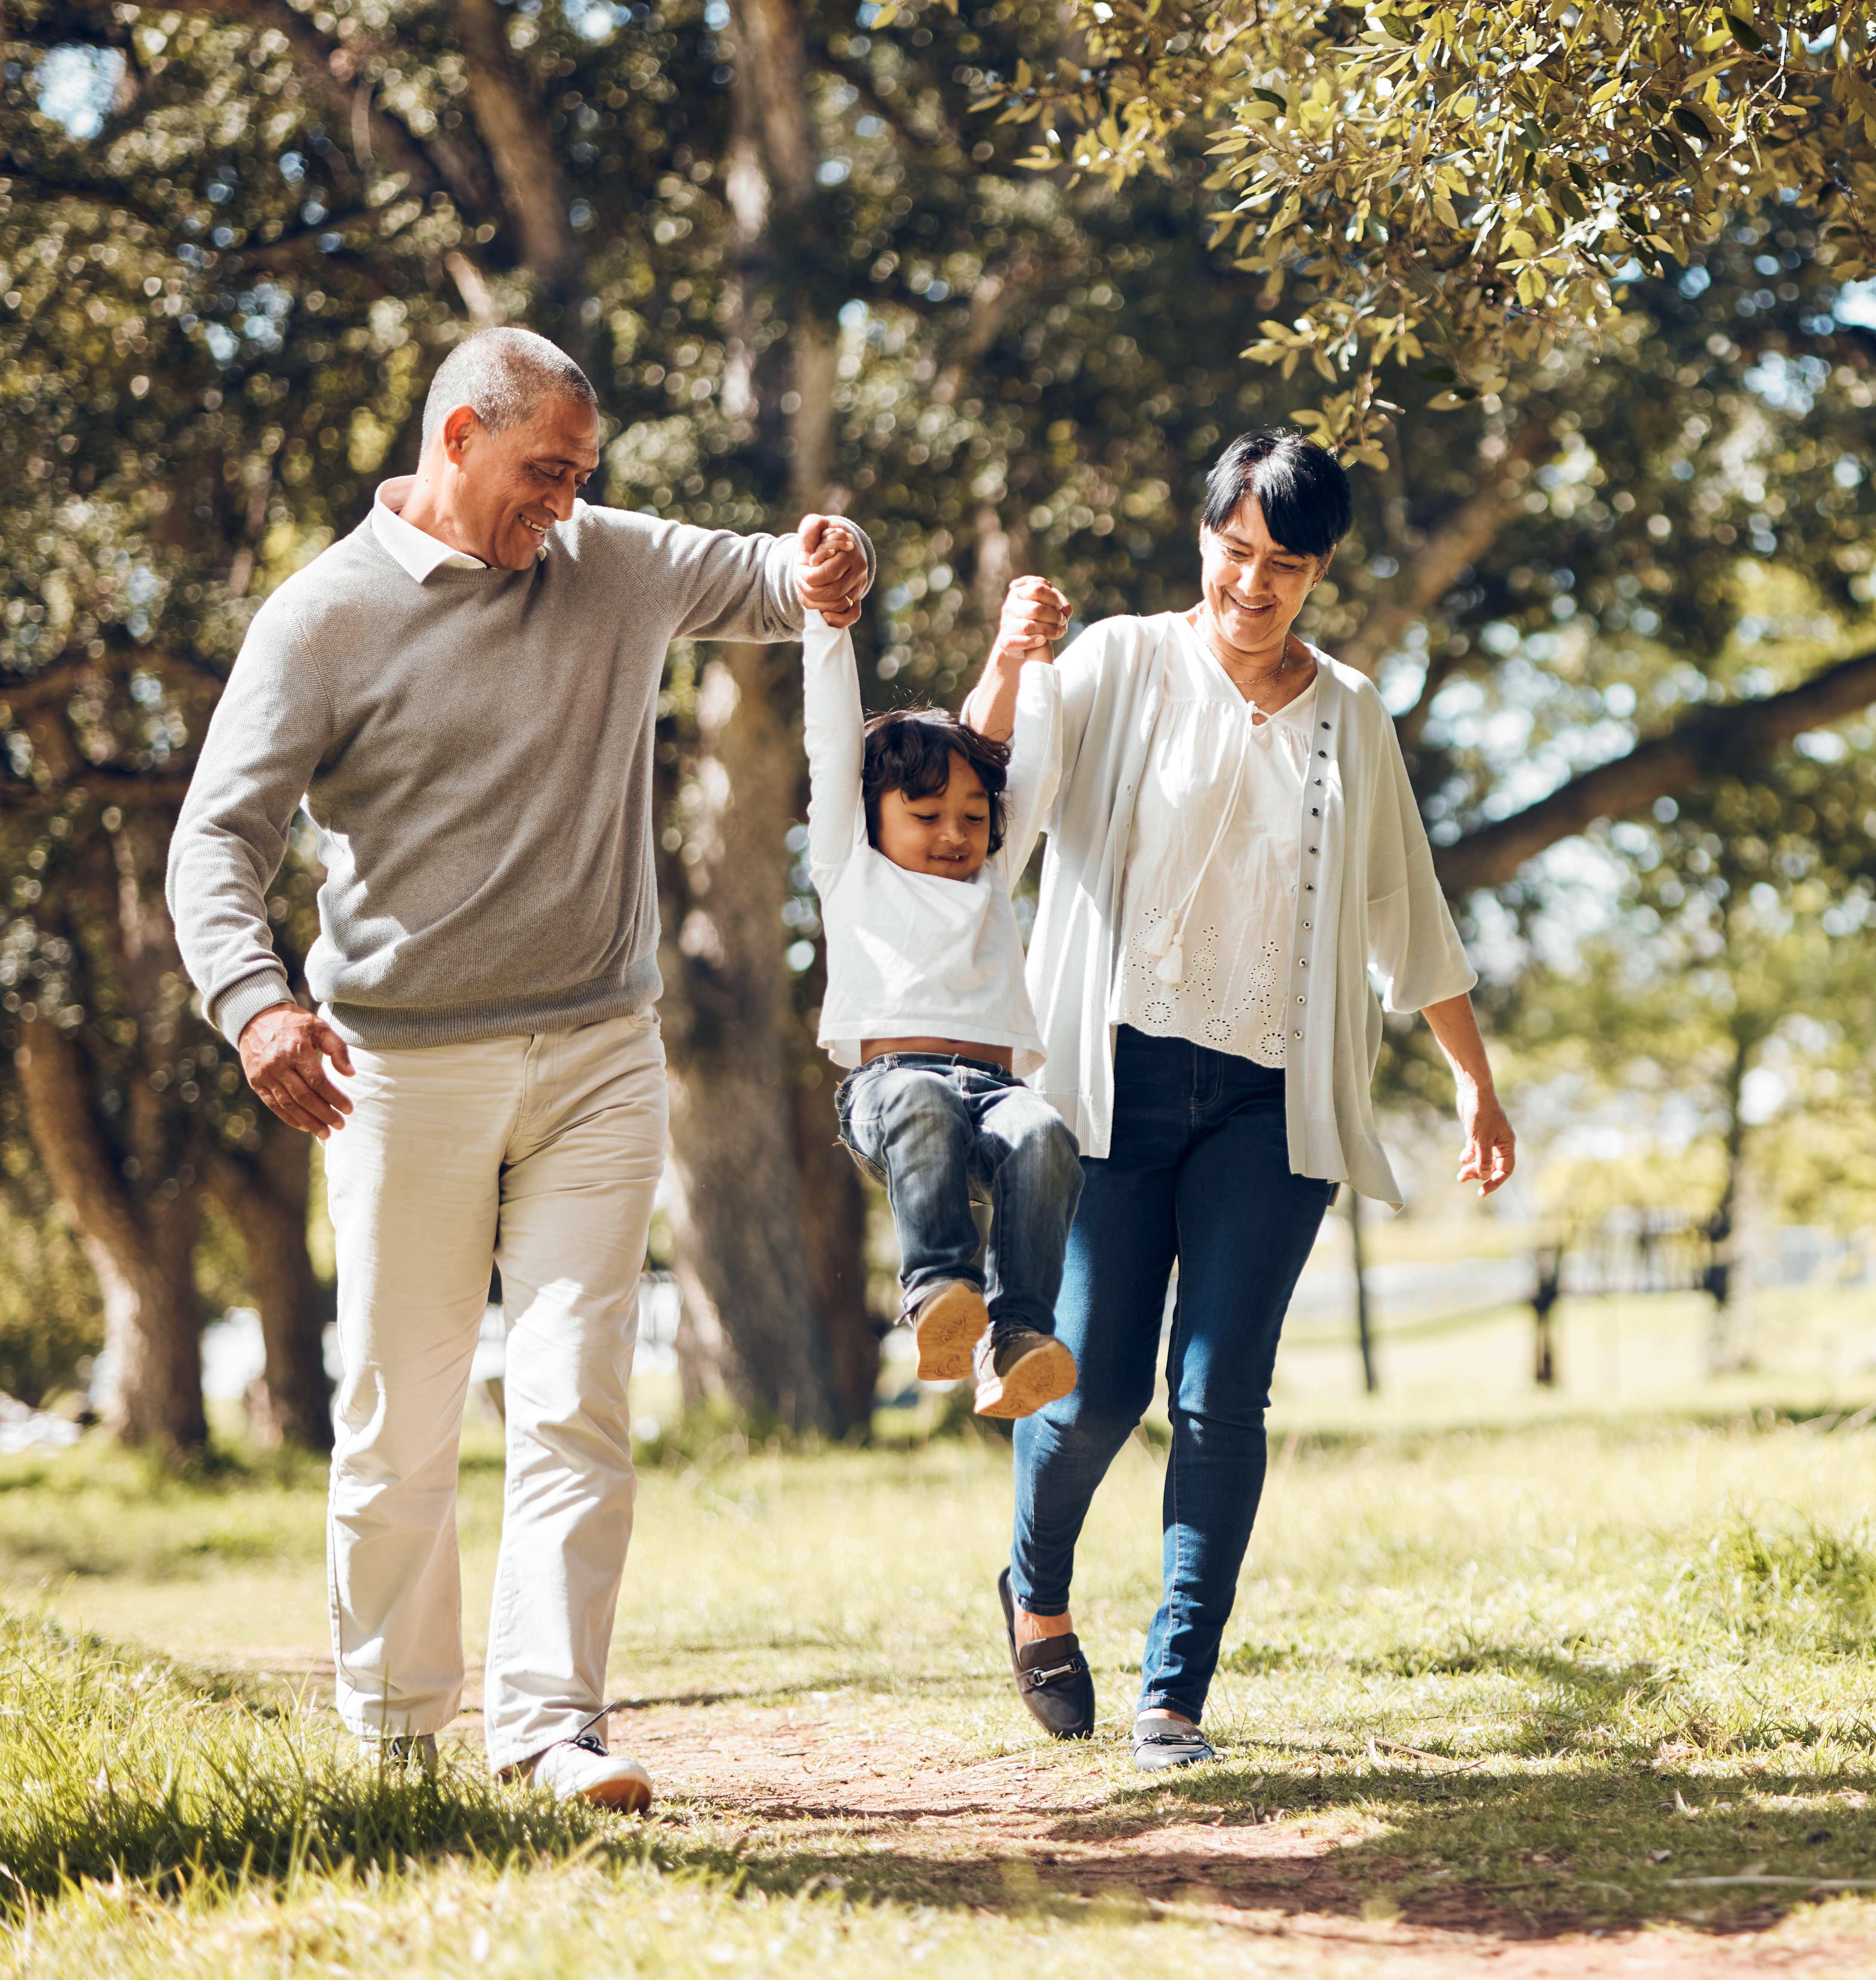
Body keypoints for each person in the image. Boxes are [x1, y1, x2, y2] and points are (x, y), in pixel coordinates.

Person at [165, 327, 872, 1811]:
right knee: (401, 1415)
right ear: (457, 436)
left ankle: (553, 1726)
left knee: (574, 1398)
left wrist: (825, 565)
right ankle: (398, 1736)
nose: (567, 504)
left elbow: (767, 578)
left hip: (602, 1051)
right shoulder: (323, 619)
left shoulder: (607, 559)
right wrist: (255, 1005)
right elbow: (217, 842)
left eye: (584, 479)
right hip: (397, 1070)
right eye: (545, 473)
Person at [964, 429, 1517, 1770]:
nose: (1251, 584)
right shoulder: (1116, 663)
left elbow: (1403, 909)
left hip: (1272, 1099)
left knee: (1220, 1396)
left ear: (1320, 569)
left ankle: (1174, 1697)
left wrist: (1473, 1076)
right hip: (1110, 1084)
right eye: (1234, 551)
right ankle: (1036, 1594)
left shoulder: (1350, 714)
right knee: (1090, 1390)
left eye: (1283, 564)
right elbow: (978, 800)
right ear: (1202, 535)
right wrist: (1005, 663)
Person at [802, 590, 1081, 1417]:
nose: (955, 834)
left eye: (971, 816)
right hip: (891, 1088)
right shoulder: (848, 867)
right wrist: (827, 623)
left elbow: (1038, 762)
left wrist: (1027, 656)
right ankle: (939, 1297)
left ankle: (1017, 1336)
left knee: (1046, 1134)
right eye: (925, 815)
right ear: (872, 814)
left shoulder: (992, 873)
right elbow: (828, 742)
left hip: (997, 1093)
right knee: (923, 1099)